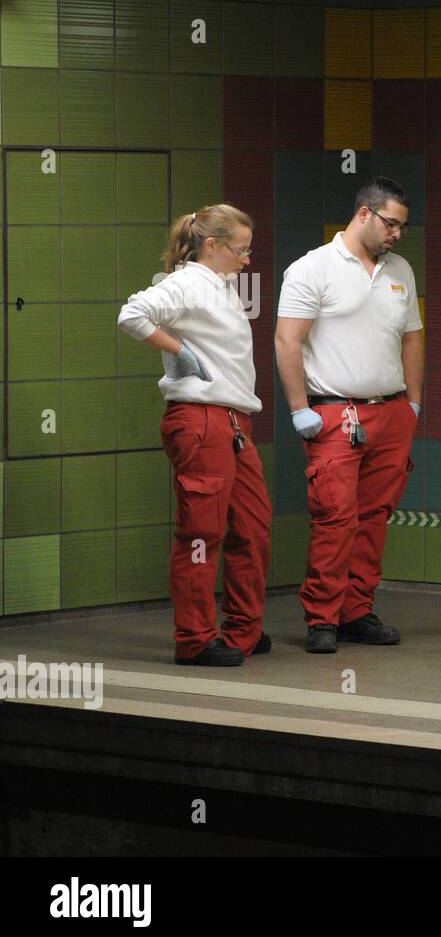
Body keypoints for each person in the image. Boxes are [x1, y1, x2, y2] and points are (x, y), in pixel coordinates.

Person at [274, 177, 424, 654]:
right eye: (391, 224)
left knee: (374, 517)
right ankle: (322, 618)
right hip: (336, 415)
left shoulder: (401, 269)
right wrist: (300, 409)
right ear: (364, 214)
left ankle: (356, 611)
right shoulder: (312, 268)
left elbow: (412, 338)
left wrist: (414, 403)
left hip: (392, 411)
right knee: (335, 519)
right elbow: (287, 340)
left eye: (403, 226)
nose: (397, 234)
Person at [117, 205, 271, 667]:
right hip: (201, 420)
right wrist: (179, 351)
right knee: (201, 534)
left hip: (233, 422)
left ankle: (243, 630)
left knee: (253, 528)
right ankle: (196, 639)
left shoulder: (219, 286)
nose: (247, 260)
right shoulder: (186, 283)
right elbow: (132, 315)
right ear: (212, 245)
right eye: (240, 250)